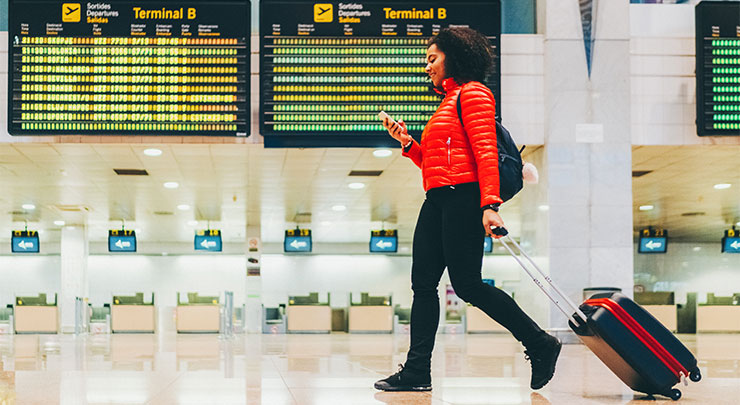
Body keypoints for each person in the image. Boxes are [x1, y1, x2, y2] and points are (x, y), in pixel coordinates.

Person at [374, 27, 561, 392]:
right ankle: (416, 372)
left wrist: (490, 204)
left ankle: (539, 342)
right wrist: (409, 143)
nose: (427, 66)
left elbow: (485, 154)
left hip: (464, 197)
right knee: (423, 285)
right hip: (439, 198)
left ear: (455, 56)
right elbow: (439, 163)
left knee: (468, 285)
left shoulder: (474, 94)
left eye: (432, 58)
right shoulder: (446, 102)